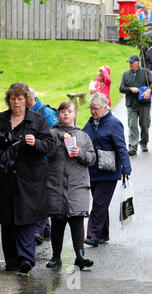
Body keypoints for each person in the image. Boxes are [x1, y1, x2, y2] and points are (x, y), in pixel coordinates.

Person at [0, 82, 55, 274]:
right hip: (5, 177)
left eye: (20, 98)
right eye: (13, 98)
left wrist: (36, 143)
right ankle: (11, 261)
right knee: (7, 220)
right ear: (9, 100)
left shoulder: (37, 120)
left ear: (26, 100)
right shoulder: (2, 119)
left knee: (26, 217)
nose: (16, 102)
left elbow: (49, 143)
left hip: (29, 177)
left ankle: (26, 259)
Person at [45, 101, 96, 270]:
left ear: (75, 115)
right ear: (59, 114)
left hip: (78, 185)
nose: (66, 114)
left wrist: (79, 153)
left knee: (76, 221)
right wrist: (61, 139)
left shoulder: (83, 136)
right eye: (62, 111)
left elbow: (92, 158)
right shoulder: (51, 133)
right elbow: (46, 153)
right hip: (55, 184)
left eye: (69, 111)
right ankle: (55, 257)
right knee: (57, 222)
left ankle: (80, 256)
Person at [83, 93, 132, 248]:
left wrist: (126, 167)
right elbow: (84, 138)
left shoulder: (114, 123)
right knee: (101, 203)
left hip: (109, 171)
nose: (92, 111)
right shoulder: (91, 123)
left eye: (95, 108)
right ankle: (103, 234)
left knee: (98, 203)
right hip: (93, 170)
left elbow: (121, 148)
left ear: (105, 107)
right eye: (91, 108)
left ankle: (92, 235)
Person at [29, 88, 58, 245]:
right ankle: (46, 229)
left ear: (32, 99)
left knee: (41, 194)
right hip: (37, 161)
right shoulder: (31, 111)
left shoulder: (45, 112)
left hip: (47, 162)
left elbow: (55, 137)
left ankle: (39, 230)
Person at [119, 55, 152, 155]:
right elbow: (121, 88)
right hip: (131, 104)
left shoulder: (145, 72)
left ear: (138, 63)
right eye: (129, 63)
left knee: (144, 124)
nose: (130, 64)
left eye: (132, 63)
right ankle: (133, 147)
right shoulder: (125, 74)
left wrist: (149, 90)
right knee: (132, 125)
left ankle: (144, 143)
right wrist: (130, 89)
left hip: (144, 104)